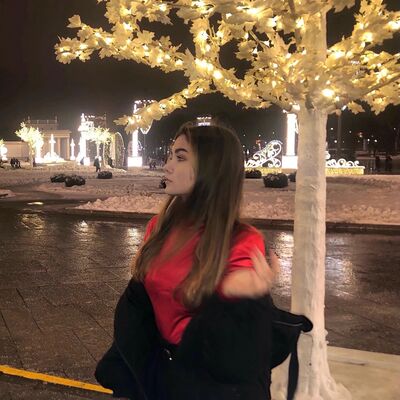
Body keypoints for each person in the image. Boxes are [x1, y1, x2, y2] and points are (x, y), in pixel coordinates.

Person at [95, 123, 280, 400]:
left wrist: (241, 300)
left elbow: (237, 353)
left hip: (207, 386)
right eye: (170, 156)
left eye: (180, 157)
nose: (167, 166)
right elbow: (141, 304)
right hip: (158, 376)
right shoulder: (159, 227)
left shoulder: (241, 240)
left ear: (212, 168)